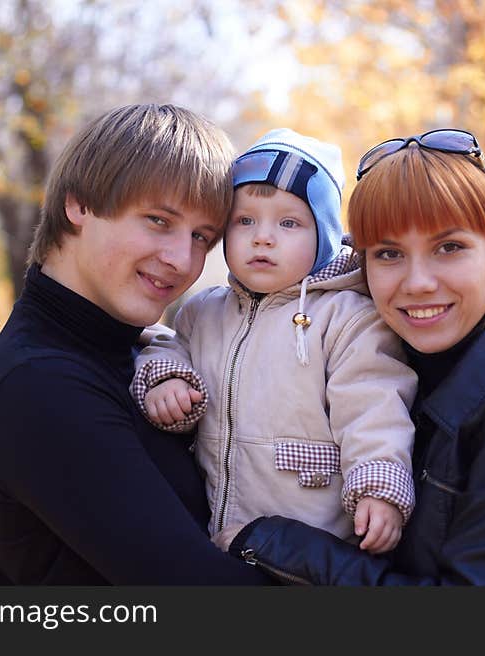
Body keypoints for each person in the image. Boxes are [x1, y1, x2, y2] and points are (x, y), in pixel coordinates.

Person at [219, 129, 485, 585]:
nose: (417, 282)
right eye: (389, 253)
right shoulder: (376, 371)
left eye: (448, 248)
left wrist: (275, 543)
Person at [0, 104, 270, 584]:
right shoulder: (40, 385)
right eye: (158, 221)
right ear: (79, 204)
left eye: (201, 237)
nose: (180, 259)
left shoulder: (135, 353)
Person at [132, 128, 418, 553]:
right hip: (217, 537)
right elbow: (166, 345)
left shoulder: (346, 318)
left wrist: (378, 485)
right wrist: (166, 379)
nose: (262, 237)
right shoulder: (203, 311)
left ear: (323, 236)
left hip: (310, 544)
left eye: (289, 223)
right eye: (245, 220)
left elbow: (373, 409)